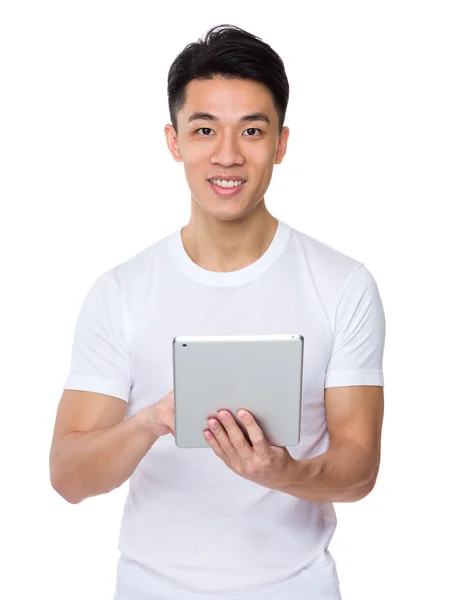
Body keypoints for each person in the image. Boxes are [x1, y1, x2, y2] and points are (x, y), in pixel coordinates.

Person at [49, 23, 385, 600]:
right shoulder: (122, 292)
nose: (227, 155)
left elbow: (359, 469)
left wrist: (285, 473)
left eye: (252, 130)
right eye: (204, 129)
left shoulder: (343, 285)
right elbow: (68, 477)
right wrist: (153, 421)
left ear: (280, 143)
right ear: (174, 141)